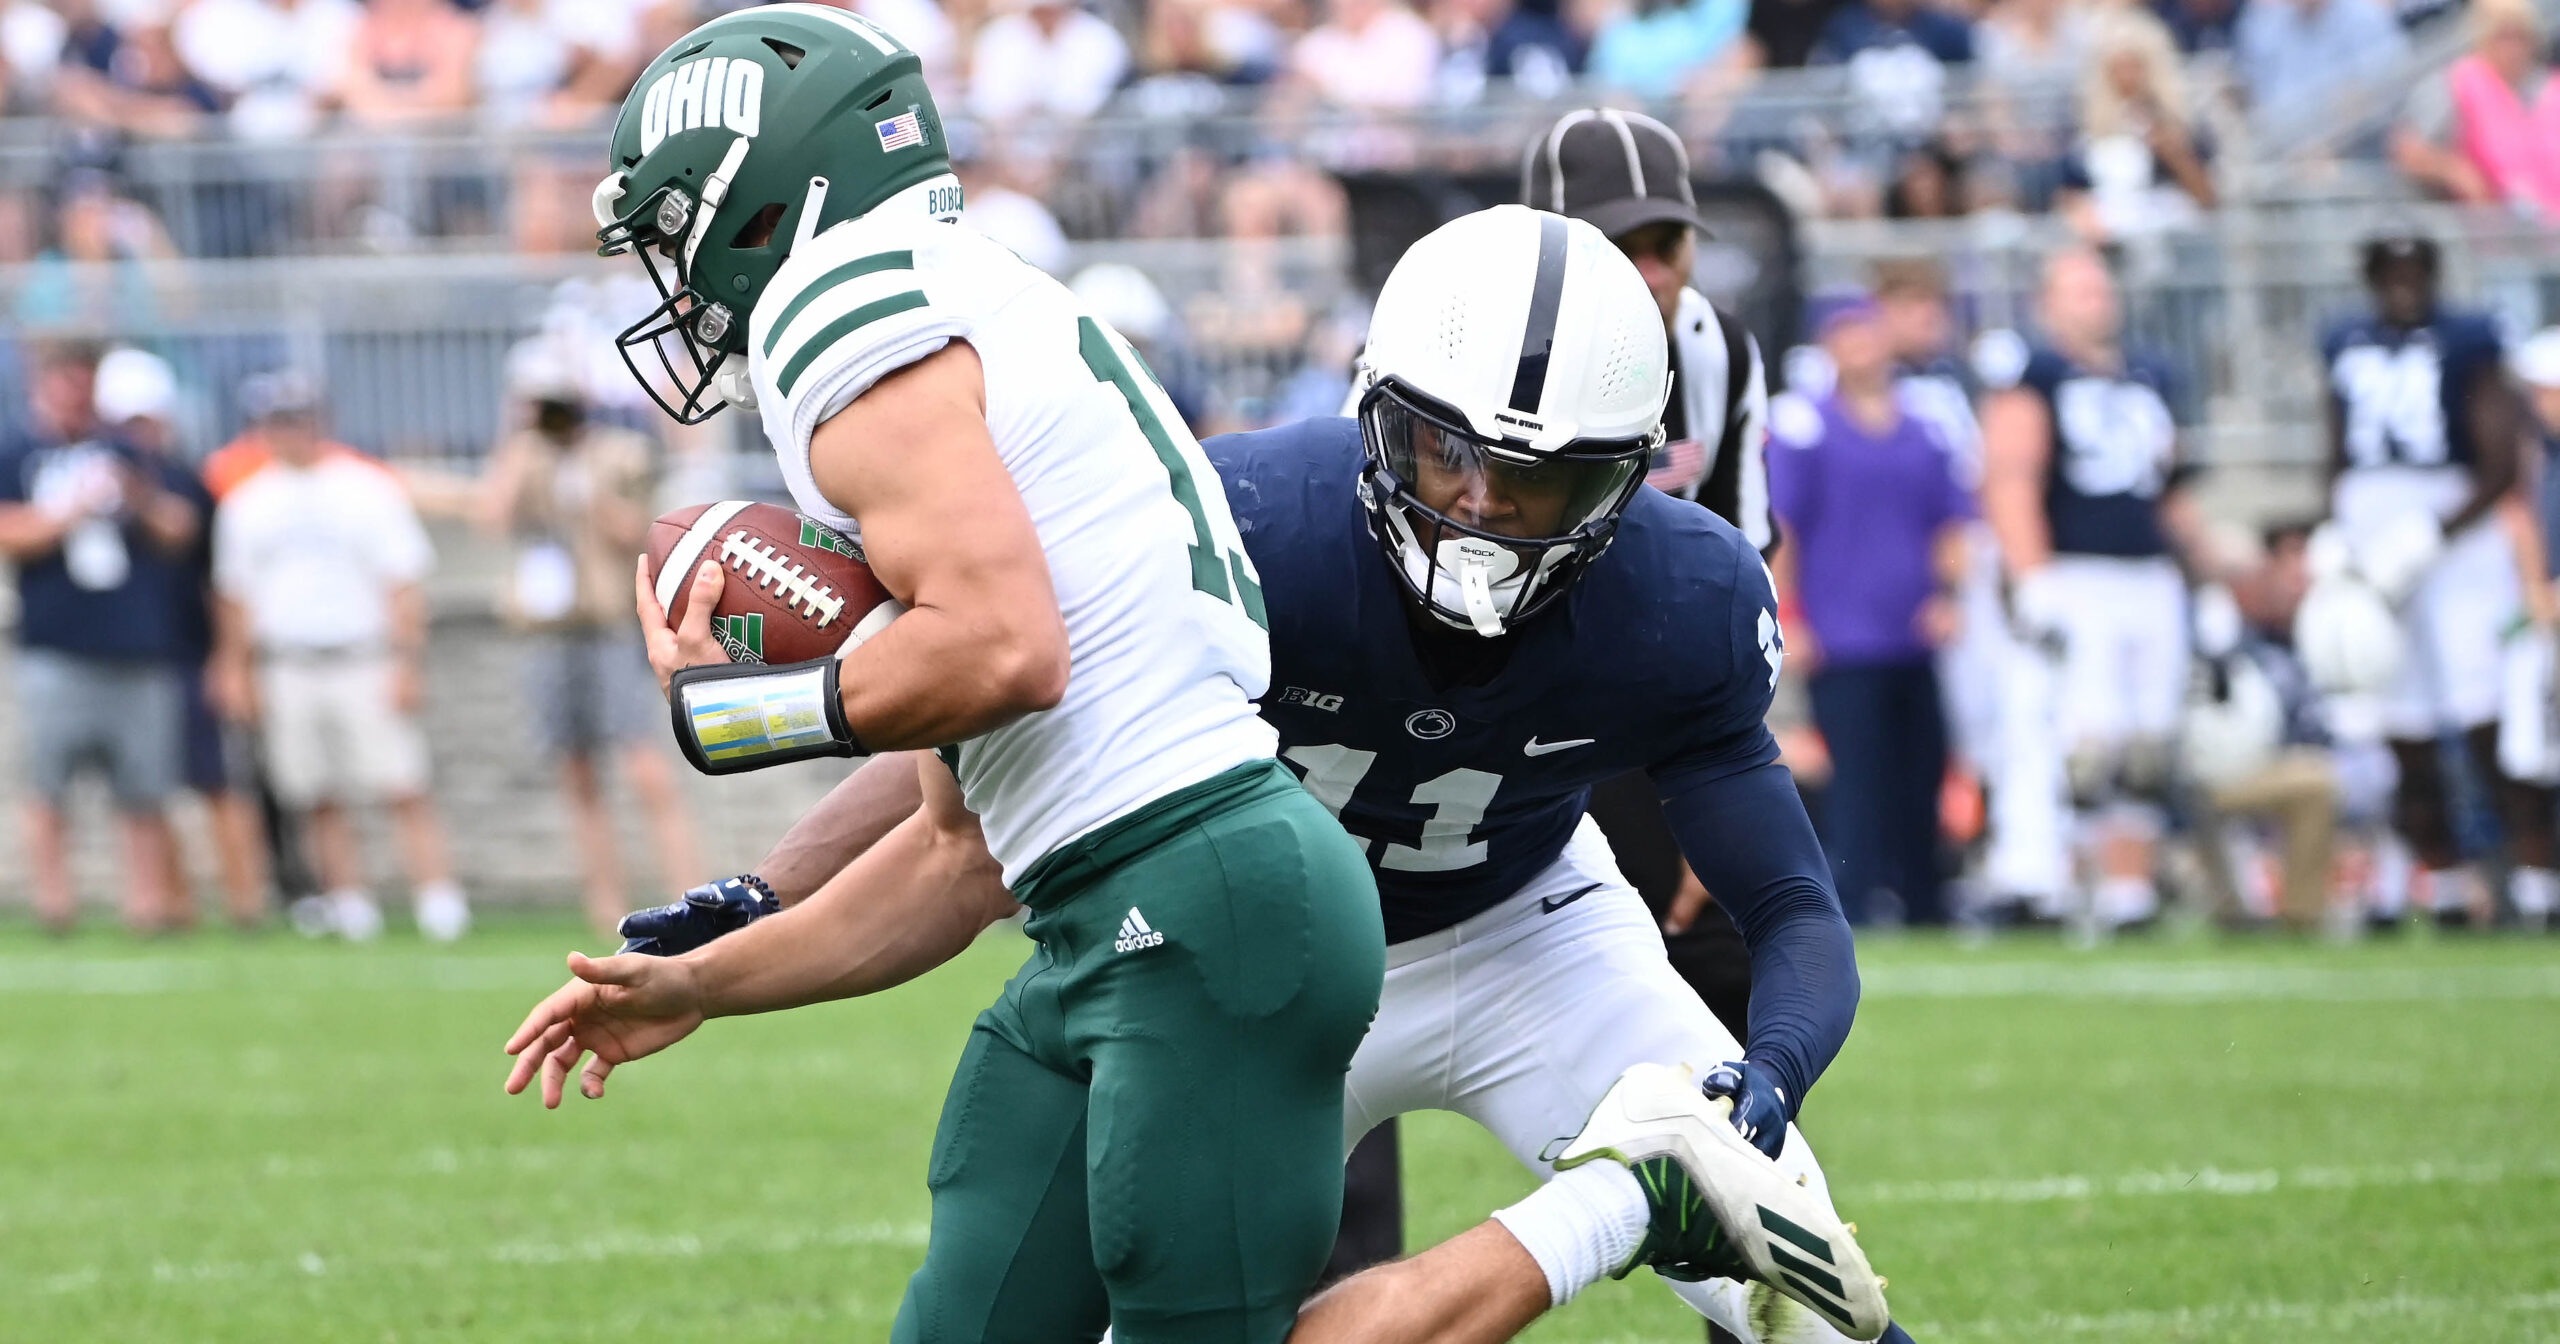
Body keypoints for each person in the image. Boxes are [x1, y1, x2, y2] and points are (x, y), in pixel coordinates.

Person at [506, 12, 1887, 1336]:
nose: (1476, 512)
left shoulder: (1684, 589)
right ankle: (1631, 1197)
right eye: (1443, 457)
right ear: (1370, 412)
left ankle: (1644, 1193)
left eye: (1543, 486)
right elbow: (959, 821)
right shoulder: (1255, 512)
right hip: (1203, 917)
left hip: (1473, 926)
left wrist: (732, 719)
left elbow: (992, 661)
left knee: (1808, 1298)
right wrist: (753, 910)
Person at [2318, 234, 2555, 927]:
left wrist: (2432, 532)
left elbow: (2501, 460)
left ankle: (2536, 879)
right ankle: (2442, 879)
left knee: (2487, 713)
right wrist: (2332, 521)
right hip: (2372, 522)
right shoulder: (2345, 341)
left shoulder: (2468, 340)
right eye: (2388, 273)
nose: (2402, 286)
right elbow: (2335, 440)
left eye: (2413, 272)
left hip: (2457, 531)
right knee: (2400, 718)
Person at [1980, 248, 2203, 930]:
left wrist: (2219, 571)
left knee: (2146, 743)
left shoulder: (2151, 374)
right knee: (2085, 739)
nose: (2095, 301)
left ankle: (2129, 895)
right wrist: (2034, 577)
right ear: (2047, 303)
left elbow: (2168, 494)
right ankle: (2060, 886)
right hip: (2075, 571)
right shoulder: (2036, 374)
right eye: (2076, 289)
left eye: (2099, 288)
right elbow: (2010, 478)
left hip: (2148, 575)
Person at [207, 370, 470, 942]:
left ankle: (436, 895)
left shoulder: (364, 488)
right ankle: (349, 899)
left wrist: (406, 662)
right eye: (277, 422)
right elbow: (235, 595)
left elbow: (401, 583)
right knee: (314, 791)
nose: (288, 433)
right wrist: (236, 669)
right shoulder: (247, 501)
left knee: (401, 782)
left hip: (362, 656)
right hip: (288, 661)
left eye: (297, 420)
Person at [475, 339, 699, 936]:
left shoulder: (620, 454)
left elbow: (641, 534)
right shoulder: (528, 458)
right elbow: (491, 515)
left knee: (642, 762)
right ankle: (605, 902)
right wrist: (516, 440)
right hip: (551, 631)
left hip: (609, 625)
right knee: (576, 771)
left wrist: (591, 499)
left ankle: (687, 885)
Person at [1769, 294, 1974, 926]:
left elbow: (1952, 521)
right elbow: (1785, 527)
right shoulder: (1807, 427)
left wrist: (1949, 597)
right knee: (1853, 779)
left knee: (1923, 771)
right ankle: (1850, 903)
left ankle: (1926, 901)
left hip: (1911, 630)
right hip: (1843, 633)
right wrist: (1791, 615)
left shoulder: (1923, 425)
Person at [0, 342, 200, 934]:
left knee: (144, 791)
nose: (77, 395)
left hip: (137, 646)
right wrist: (73, 508)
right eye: (66, 381)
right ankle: (55, 907)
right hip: (55, 647)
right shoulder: (17, 450)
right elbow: (10, 533)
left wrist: (134, 495)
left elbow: (180, 529)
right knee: (48, 789)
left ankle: (146, 907)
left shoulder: (127, 451)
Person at [93, 346, 268, 931]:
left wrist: (228, 659)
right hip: (129, 659)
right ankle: (173, 903)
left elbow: (215, 576)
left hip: (186, 655)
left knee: (216, 781)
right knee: (147, 790)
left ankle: (245, 900)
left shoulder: (185, 482)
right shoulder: (86, 476)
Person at [2388, 0, 2560, 215]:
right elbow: (2409, 148)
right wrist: (2457, 172)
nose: (2513, 49)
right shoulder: (2457, 82)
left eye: (2521, 37)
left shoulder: (2548, 86)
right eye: (2503, 37)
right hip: (2490, 227)